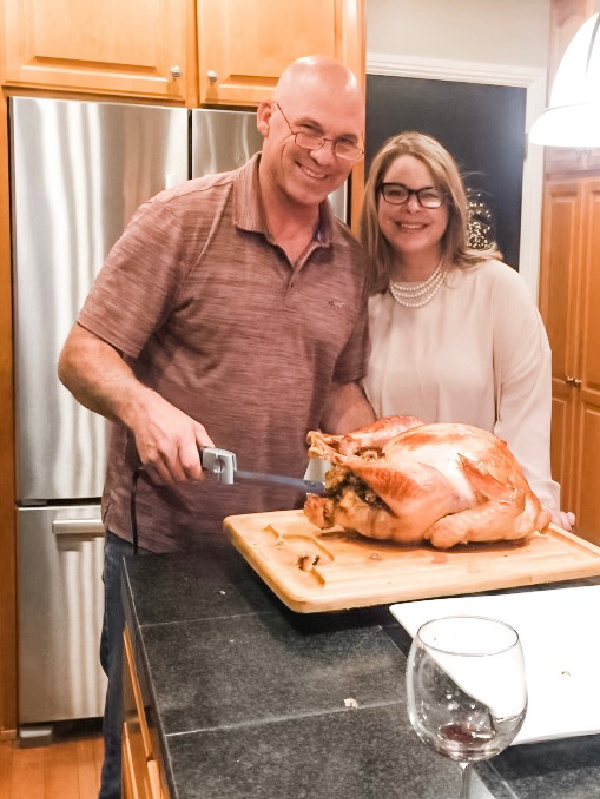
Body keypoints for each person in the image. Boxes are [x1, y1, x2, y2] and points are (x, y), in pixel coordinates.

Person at [58, 56, 375, 799]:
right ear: (267, 118)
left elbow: (339, 389)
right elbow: (83, 354)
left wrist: (377, 450)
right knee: (144, 755)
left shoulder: (353, 260)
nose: (325, 156)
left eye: (346, 142)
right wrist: (146, 407)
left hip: (283, 553)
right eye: (308, 129)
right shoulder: (179, 219)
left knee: (257, 755)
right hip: (166, 548)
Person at [360, 131, 574, 531]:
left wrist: (533, 512)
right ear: (375, 200)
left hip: (481, 518)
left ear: (451, 206)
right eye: (396, 192)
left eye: (429, 194)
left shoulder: (498, 289)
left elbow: (525, 420)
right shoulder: (360, 298)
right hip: (391, 519)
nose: (412, 207)